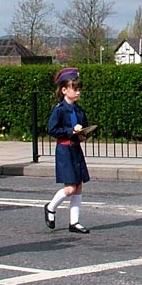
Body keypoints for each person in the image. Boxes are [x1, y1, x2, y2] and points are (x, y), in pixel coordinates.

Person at [43, 67, 90, 233]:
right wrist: (71, 131)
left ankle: (74, 222)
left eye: (79, 89)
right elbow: (52, 129)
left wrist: (83, 135)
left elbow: (83, 129)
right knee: (70, 188)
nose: (78, 92)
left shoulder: (79, 110)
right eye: (75, 89)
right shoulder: (59, 109)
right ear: (64, 90)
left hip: (75, 149)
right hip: (64, 150)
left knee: (78, 186)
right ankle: (50, 207)